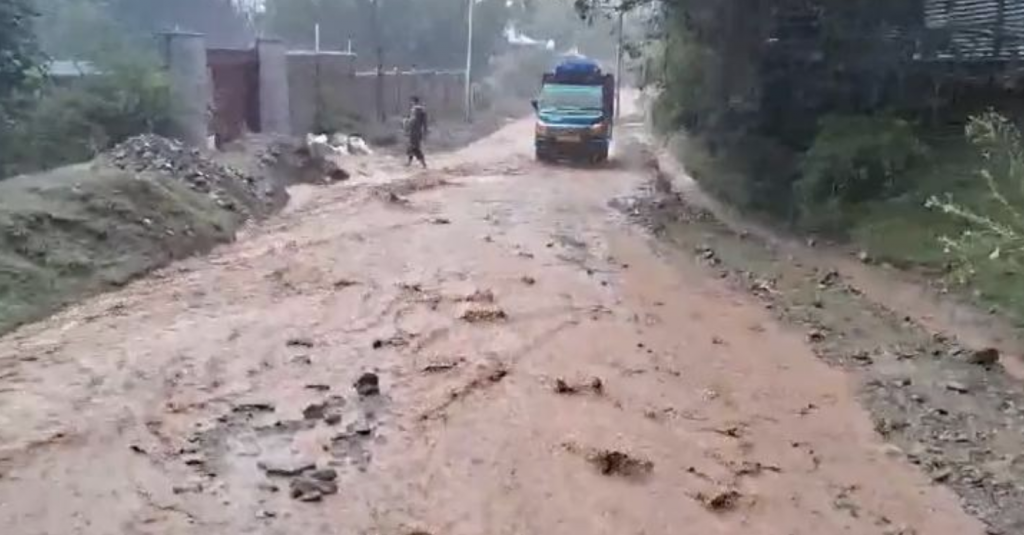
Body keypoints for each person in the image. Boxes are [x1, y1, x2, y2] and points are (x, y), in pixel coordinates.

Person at [404, 96, 429, 168]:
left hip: (414, 132)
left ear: (413, 102)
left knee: (414, 148)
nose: (410, 103)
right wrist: (425, 131)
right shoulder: (422, 110)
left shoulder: (414, 110)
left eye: (411, 101)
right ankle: (409, 163)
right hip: (418, 132)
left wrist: (406, 121)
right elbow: (425, 122)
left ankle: (423, 163)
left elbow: (413, 120)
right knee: (412, 148)